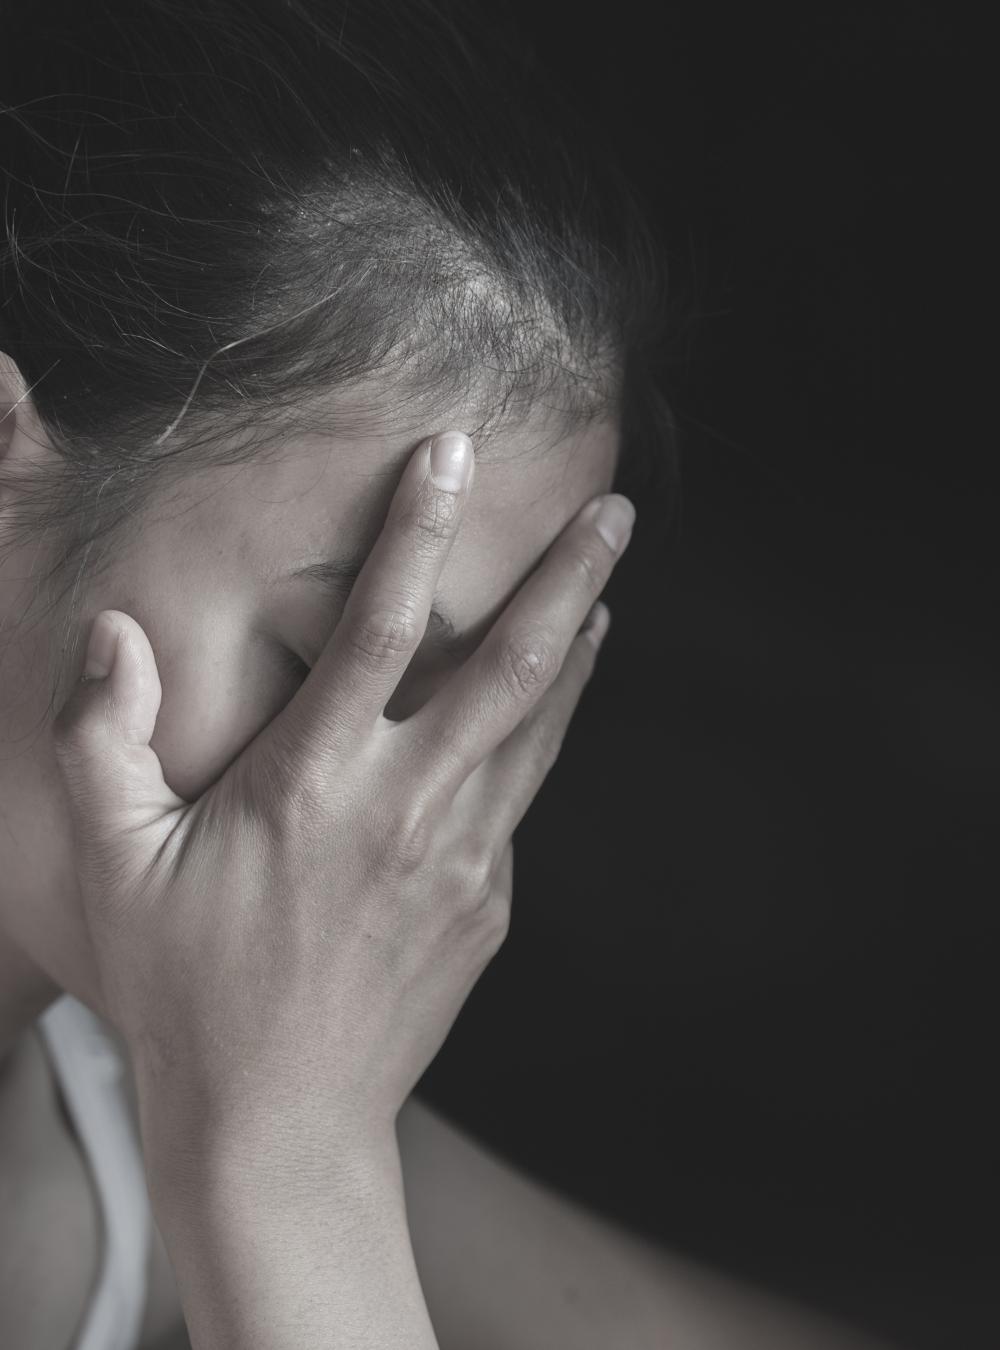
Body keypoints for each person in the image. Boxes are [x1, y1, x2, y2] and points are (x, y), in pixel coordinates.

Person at [0, 2, 899, 1346]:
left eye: (473, 708)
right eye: (329, 660)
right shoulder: (243, 1114)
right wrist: (289, 1179)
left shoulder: (172, 1096)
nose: (395, 828)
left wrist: (291, 1162)